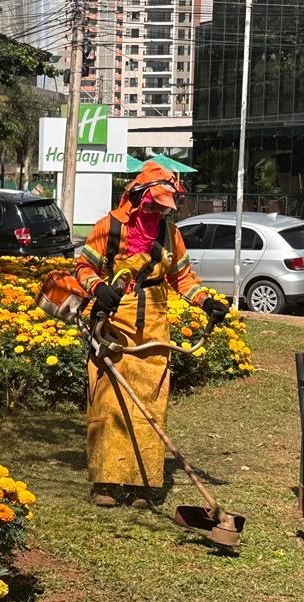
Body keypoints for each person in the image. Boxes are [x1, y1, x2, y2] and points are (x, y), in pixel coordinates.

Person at [73, 162, 228, 508]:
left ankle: (144, 484)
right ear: (140, 198)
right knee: (108, 401)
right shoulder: (109, 227)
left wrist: (206, 303)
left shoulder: (170, 235)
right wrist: (98, 288)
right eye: (155, 204)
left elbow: (183, 278)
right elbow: (83, 268)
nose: (159, 211)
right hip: (112, 326)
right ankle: (107, 483)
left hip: (155, 327)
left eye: (165, 207)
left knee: (150, 404)